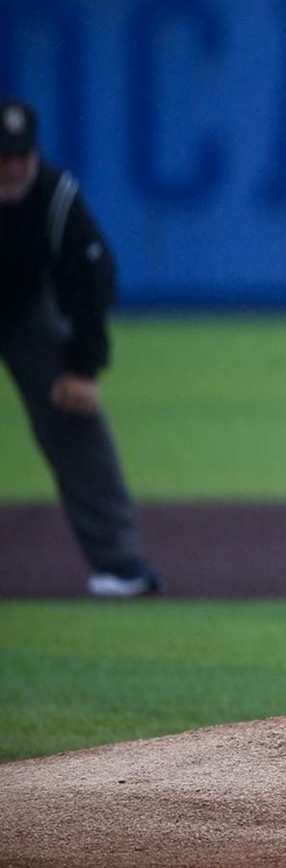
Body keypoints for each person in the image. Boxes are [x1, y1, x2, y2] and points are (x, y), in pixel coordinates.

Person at [0, 99, 160, 597]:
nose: (13, 167)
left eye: (22, 155)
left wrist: (83, 367)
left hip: (23, 308)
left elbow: (91, 274)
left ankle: (118, 562)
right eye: (2, 157)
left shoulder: (52, 194)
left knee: (74, 416)